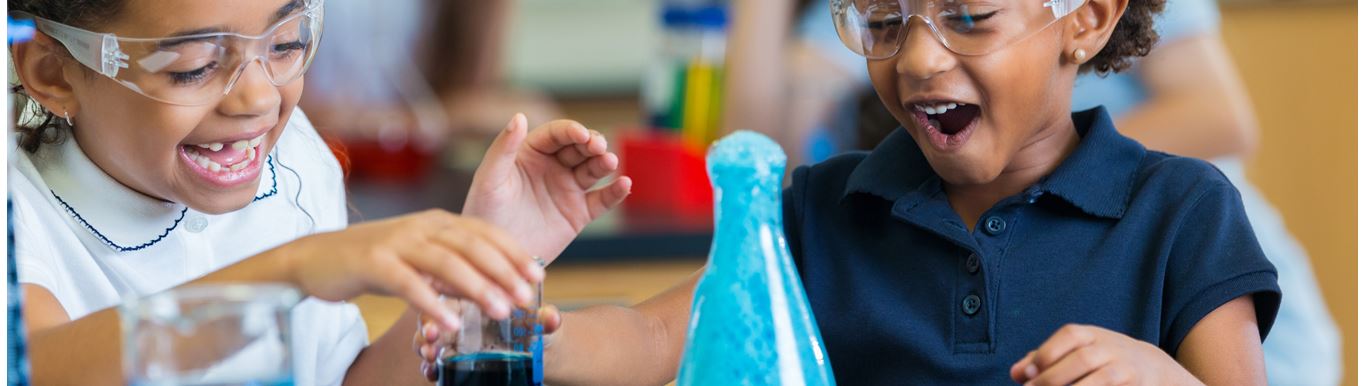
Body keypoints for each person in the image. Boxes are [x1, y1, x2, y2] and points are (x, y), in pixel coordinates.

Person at [418, 0, 1284, 384]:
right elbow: (656, 335)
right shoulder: (823, 213)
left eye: (968, 17)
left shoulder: (1185, 212)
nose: (914, 59)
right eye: (882, 20)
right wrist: (513, 342)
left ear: (1087, 19)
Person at [6, 0, 631, 384]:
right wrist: (292, 273)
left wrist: (481, 263)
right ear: (53, 72)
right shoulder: (20, 204)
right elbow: (39, 368)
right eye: (192, 65)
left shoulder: (296, 161)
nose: (257, 99)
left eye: (285, 45)